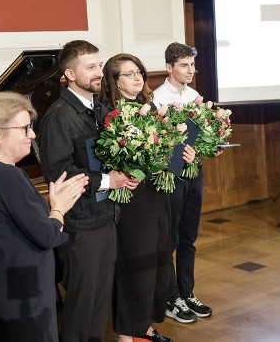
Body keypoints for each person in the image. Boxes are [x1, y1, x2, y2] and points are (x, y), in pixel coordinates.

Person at [0, 92, 89, 341]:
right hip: (24, 296)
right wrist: (58, 209)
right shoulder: (8, 175)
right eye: (24, 128)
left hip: (2, 291)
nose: (32, 135)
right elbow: (48, 236)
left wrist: (50, 202)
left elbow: (14, 220)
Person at [38, 40, 138, 342]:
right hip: (80, 226)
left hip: (106, 218)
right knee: (82, 308)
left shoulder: (101, 110)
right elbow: (59, 173)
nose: (99, 72)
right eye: (90, 67)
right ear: (69, 74)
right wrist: (110, 181)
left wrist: (130, 172)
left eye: (99, 64)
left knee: (98, 304)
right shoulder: (57, 118)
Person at [98, 53, 197, 342]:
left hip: (157, 196)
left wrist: (184, 156)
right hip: (132, 200)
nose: (137, 77)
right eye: (128, 74)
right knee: (134, 267)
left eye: (139, 71)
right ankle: (127, 335)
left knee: (158, 263)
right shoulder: (109, 113)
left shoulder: (149, 107)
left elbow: (167, 151)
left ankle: (145, 327)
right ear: (114, 81)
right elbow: (117, 161)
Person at [153, 42, 214, 324]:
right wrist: (181, 154)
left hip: (194, 173)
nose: (191, 70)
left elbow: (202, 135)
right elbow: (157, 143)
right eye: (184, 65)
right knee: (171, 239)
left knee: (189, 237)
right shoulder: (157, 98)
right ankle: (171, 297)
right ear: (169, 68)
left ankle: (187, 292)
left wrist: (207, 146)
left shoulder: (194, 96)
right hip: (171, 175)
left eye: (192, 65)